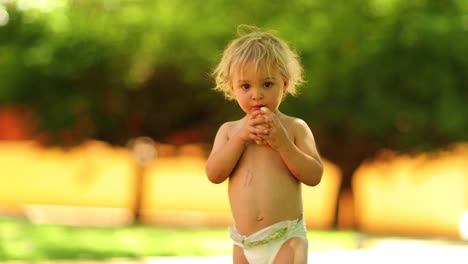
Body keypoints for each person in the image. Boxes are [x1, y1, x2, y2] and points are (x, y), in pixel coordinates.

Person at [205, 25, 323, 264]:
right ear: (232, 88)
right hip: (244, 243)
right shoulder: (229, 132)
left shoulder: (294, 128)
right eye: (246, 86)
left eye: (267, 84)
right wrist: (240, 138)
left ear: (285, 84)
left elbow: (314, 176)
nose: (256, 95)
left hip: (286, 238)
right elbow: (214, 174)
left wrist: (283, 144)